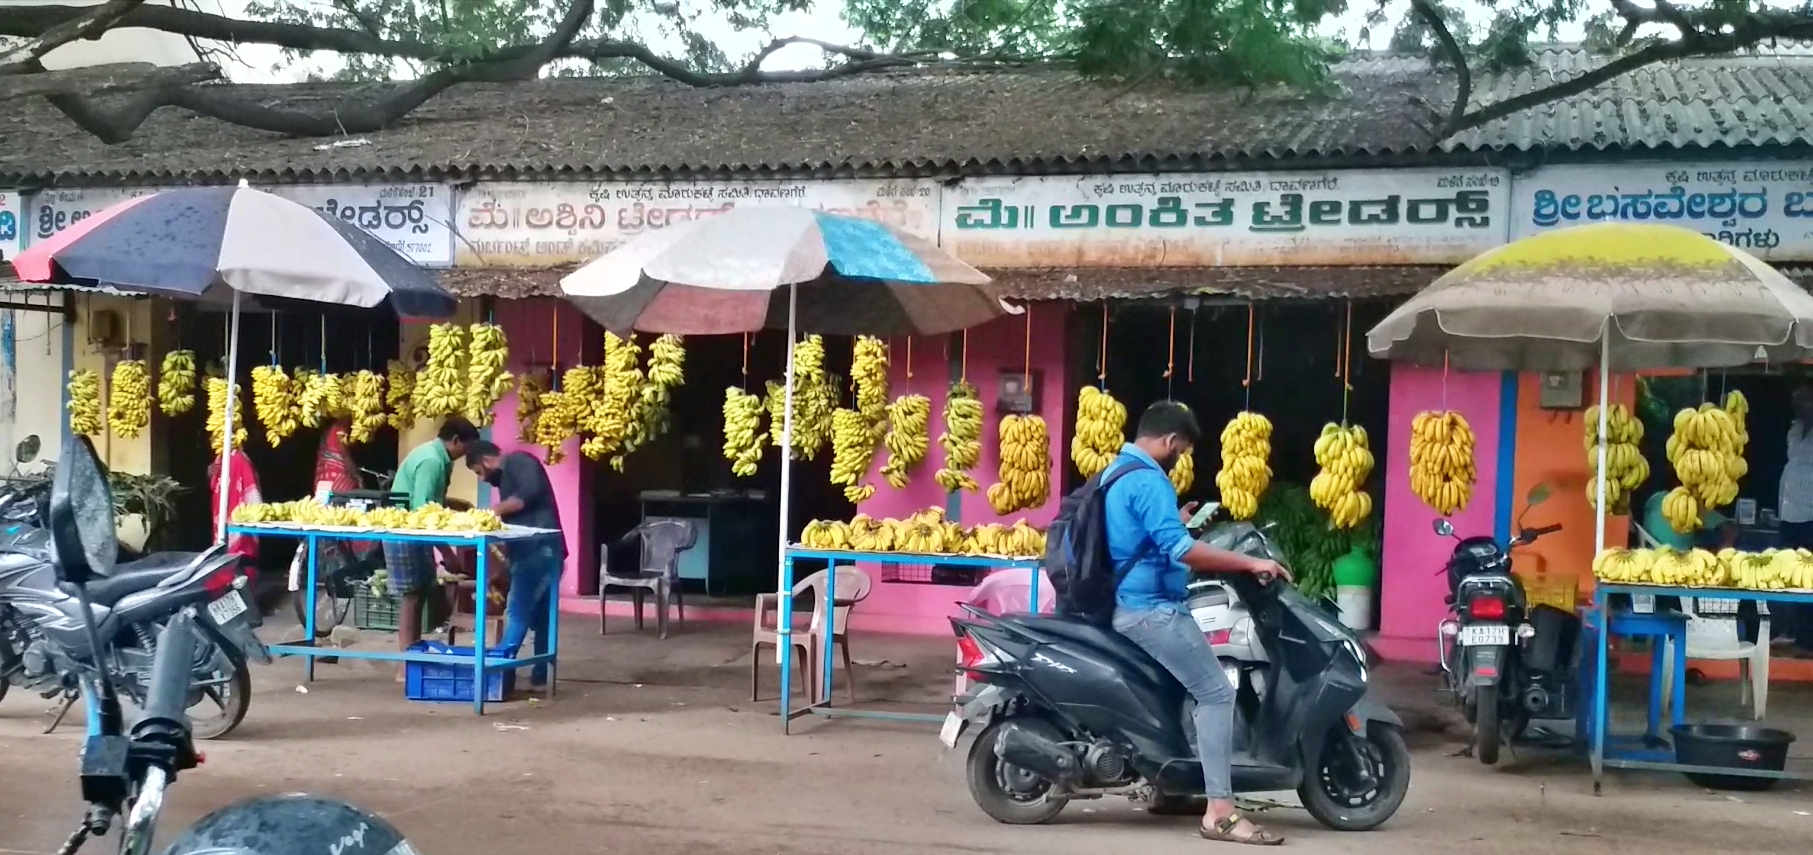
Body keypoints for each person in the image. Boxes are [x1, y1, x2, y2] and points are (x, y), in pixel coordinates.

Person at [1105, 402, 1290, 846]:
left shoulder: (1119, 470)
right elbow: (1180, 551)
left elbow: (1148, 536)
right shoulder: (1149, 480)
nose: (1180, 458)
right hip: (1151, 609)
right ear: (1170, 442)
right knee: (1215, 692)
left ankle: (1168, 787)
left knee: (1178, 692)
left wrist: (1180, 523)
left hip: (1135, 601)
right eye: (1181, 451)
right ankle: (1220, 813)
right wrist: (1248, 562)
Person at [465, 439, 565, 689]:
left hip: (539, 550)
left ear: (487, 461)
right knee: (542, 617)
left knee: (517, 613)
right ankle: (541, 674)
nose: (482, 479)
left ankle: (498, 670)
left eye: (479, 472)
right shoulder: (506, 477)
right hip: (540, 552)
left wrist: (489, 513)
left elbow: (522, 499)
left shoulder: (520, 462)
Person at [385, 417, 479, 666]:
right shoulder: (432, 461)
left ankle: (414, 654)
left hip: (416, 530)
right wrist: (447, 553)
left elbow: (432, 502)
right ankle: (406, 664)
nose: (465, 455)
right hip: (405, 530)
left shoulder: (440, 459)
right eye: (465, 448)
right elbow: (423, 512)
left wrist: (456, 506)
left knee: (422, 591)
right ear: (455, 441)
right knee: (411, 596)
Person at [1776, 383, 1813, 656]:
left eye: (1802, 400)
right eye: (1795, 400)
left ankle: (1807, 640)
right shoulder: (1793, 430)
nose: (1797, 405)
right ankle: (1789, 632)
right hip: (1789, 514)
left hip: (1810, 515)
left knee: (1809, 578)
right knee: (1787, 574)